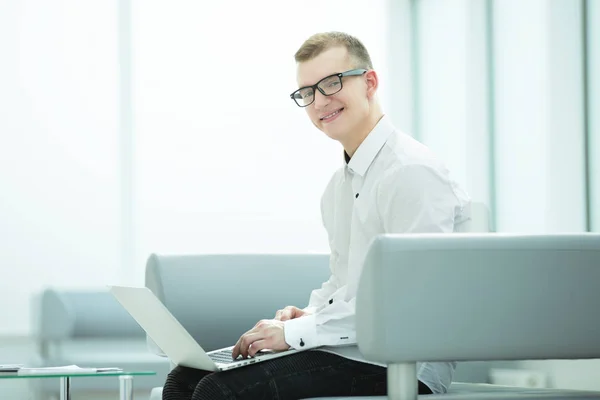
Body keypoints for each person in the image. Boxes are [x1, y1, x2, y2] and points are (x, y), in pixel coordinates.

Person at [162, 31, 471, 400]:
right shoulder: (339, 186)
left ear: (369, 83)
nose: (319, 101)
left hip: (400, 363)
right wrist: (307, 315)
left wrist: (296, 334)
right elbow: (345, 284)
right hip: (351, 350)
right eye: (307, 92)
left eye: (331, 83)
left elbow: (406, 303)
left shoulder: (411, 172)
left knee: (218, 390)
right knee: (185, 378)